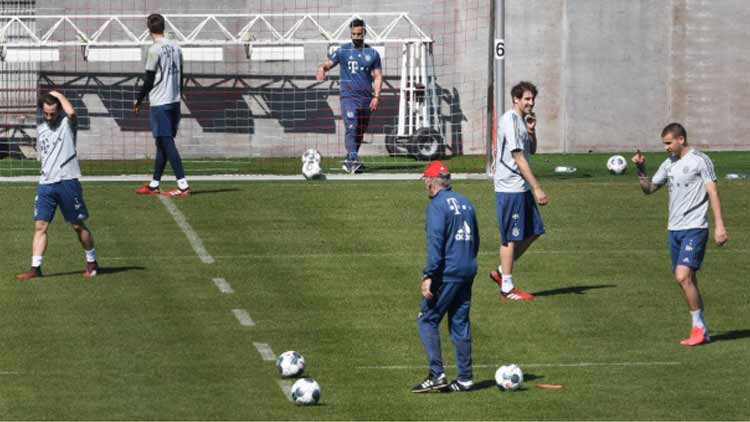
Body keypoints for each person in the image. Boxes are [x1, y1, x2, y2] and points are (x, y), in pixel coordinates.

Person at [632, 123, 728, 346]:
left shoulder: (700, 160)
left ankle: (699, 329)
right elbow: (649, 189)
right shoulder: (669, 164)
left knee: (682, 276)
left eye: (668, 143)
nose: (666, 147)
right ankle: (701, 329)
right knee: (688, 280)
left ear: (681, 139)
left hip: (695, 228)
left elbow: (713, 191)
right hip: (674, 230)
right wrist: (641, 169)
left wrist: (720, 226)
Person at [412, 161, 479, 393]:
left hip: (447, 272)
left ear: (431, 182)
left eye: (425, 180)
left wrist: (429, 274)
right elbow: (476, 239)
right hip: (467, 268)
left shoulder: (437, 206)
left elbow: (436, 242)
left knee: (427, 320)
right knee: (460, 323)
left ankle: (437, 374)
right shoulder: (466, 202)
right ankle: (465, 378)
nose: (425, 185)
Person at [16, 91, 98, 280]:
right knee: (40, 226)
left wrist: (59, 95)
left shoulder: (67, 124)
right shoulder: (41, 126)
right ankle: (35, 268)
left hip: (67, 181)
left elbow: (72, 113)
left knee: (77, 225)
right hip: (46, 183)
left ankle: (92, 262)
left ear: (59, 110)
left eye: (52, 113)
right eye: (45, 113)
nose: (49, 117)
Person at [490, 81, 548, 301]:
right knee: (510, 238)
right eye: (527, 99)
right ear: (516, 99)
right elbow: (518, 157)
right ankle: (506, 288)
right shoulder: (511, 120)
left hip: (520, 186)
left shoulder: (522, 122)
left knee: (534, 230)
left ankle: (501, 271)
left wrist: (531, 131)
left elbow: (531, 150)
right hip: (509, 188)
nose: (531, 103)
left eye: (533, 99)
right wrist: (537, 188)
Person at [316, 18, 382, 174]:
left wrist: (376, 97)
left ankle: (351, 159)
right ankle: (353, 160)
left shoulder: (373, 53)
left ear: (364, 33)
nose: (356, 37)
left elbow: (378, 76)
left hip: (366, 98)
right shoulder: (343, 51)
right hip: (349, 96)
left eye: (359, 34)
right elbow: (328, 64)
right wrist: (321, 68)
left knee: (360, 131)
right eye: (353, 34)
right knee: (351, 126)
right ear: (350, 33)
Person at [133, 13, 190, 197]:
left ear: (149, 29)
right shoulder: (176, 46)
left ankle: (183, 185)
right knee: (162, 143)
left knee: (167, 142)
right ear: (163, 27)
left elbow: (149, 79)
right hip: (174, 101)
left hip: (160, 103)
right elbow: (181, 74)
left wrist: (138, 99)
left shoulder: (154, 50)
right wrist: (178, 94)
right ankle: (154, 184)